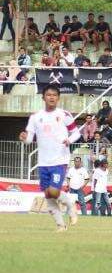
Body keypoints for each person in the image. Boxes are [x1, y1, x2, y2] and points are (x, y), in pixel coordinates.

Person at [19, 85, 80, 231]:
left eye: (54, 95)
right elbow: (29, 139)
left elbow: (76, 133)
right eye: (48, 95)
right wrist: (24, 138)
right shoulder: (35, 117)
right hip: (43, 162)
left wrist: (69, 140)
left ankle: (71, 206)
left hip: (60, 160)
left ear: (58, 98)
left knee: (53, 191)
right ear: (43, 97)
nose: (51, 97)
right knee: (48, 195)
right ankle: (60, 225)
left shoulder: (64, 114)